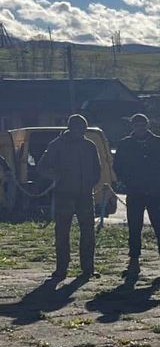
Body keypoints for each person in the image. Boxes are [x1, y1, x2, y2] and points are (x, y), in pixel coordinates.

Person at [38, 114, 101, 280]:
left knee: (88, 233)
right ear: (70, 128)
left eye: (83, 128)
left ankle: (88, 269)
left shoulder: (90, 146)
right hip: (64, 195)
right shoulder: (57, 145)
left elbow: (97, 169)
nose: (80, 131)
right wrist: (55, 176)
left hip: (85, 195)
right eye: (77, 128)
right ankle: (61, 269)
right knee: (62, 233)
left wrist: (90, 183)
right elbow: (42, 167)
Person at [114, 113, 160, 279]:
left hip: (154, 190)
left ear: (147, 125)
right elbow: (117, 165)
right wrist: (127, 180)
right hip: (134, 191)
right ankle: (134, 262)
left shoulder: (158, 142)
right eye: (137, 124)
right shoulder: (125, 144)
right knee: (134, 228)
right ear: (132, 126)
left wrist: (159, 176)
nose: (140, 127)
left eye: (142, 124)